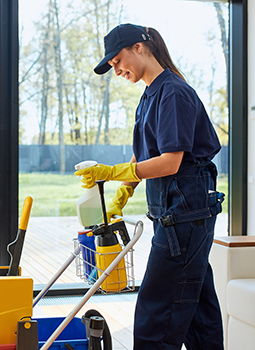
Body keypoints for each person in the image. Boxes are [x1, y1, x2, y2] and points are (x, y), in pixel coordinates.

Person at [75, 24, 225, 349]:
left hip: (183, 217)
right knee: (199, 311)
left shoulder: (173, 92)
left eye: (117, 61)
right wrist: (122, 193)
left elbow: (170, 162)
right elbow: (145, 153)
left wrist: (112, 171)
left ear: (139, 48)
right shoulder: (151, 94)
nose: (116, 71)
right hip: (177, 217)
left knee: (154, 317)